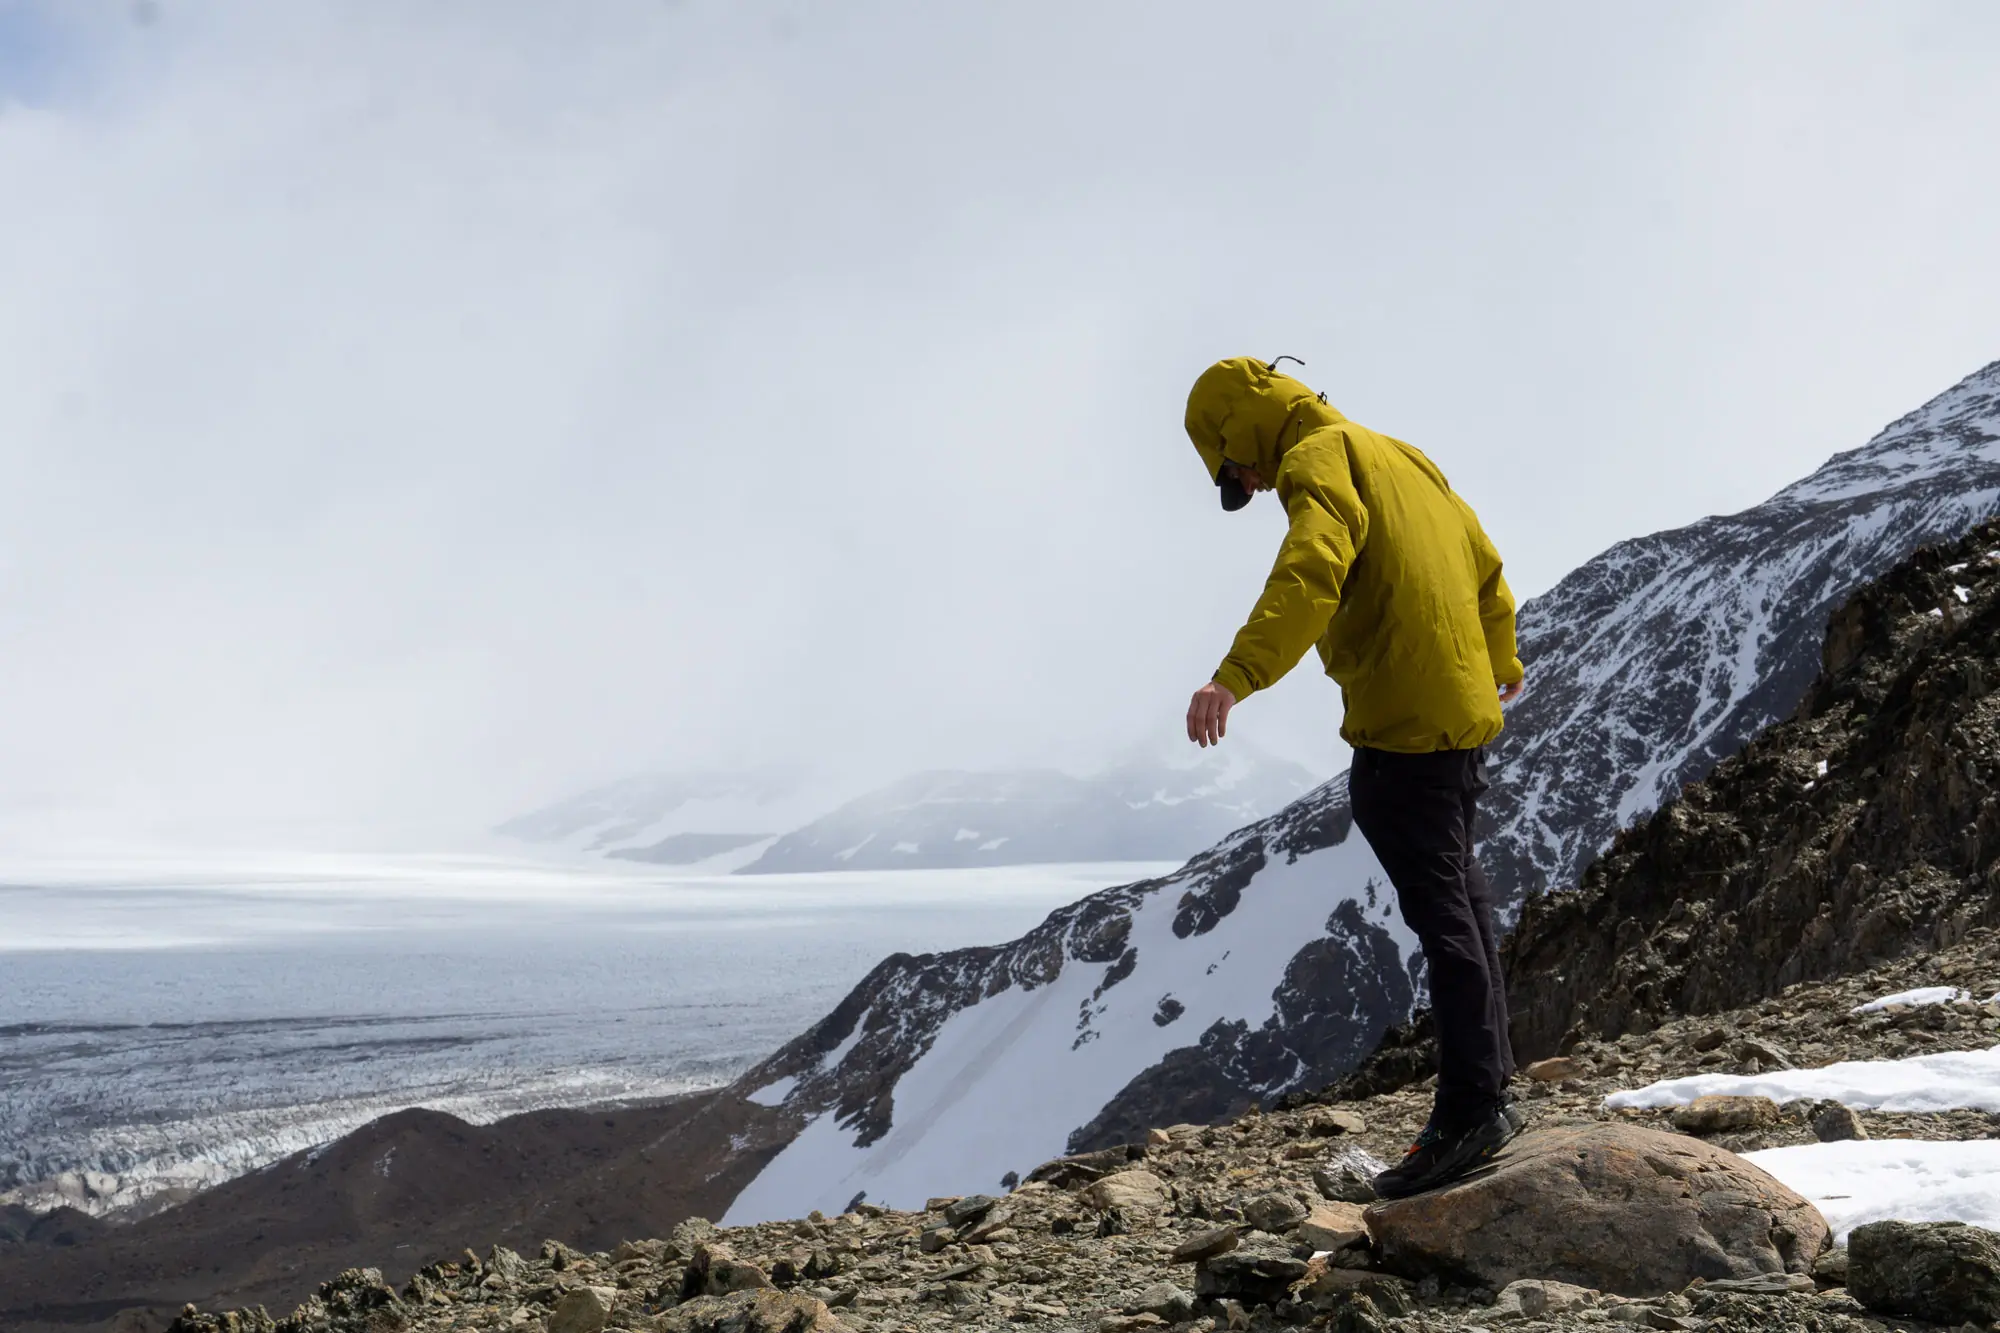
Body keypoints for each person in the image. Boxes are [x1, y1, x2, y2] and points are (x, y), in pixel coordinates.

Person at [1180, 355, 1526, 1199]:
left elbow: (1311, 570)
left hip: (1404, 722)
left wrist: (1235, 675)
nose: (1251, 485)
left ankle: (1471, 1110)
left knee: (1442, 907)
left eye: (1236, 467)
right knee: (1463, 893)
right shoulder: (1405, 455)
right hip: (1460, 712)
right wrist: (1501, 657)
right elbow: (1485, 564)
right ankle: (1495, 1088)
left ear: (1244, 427)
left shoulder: (1317, 458)